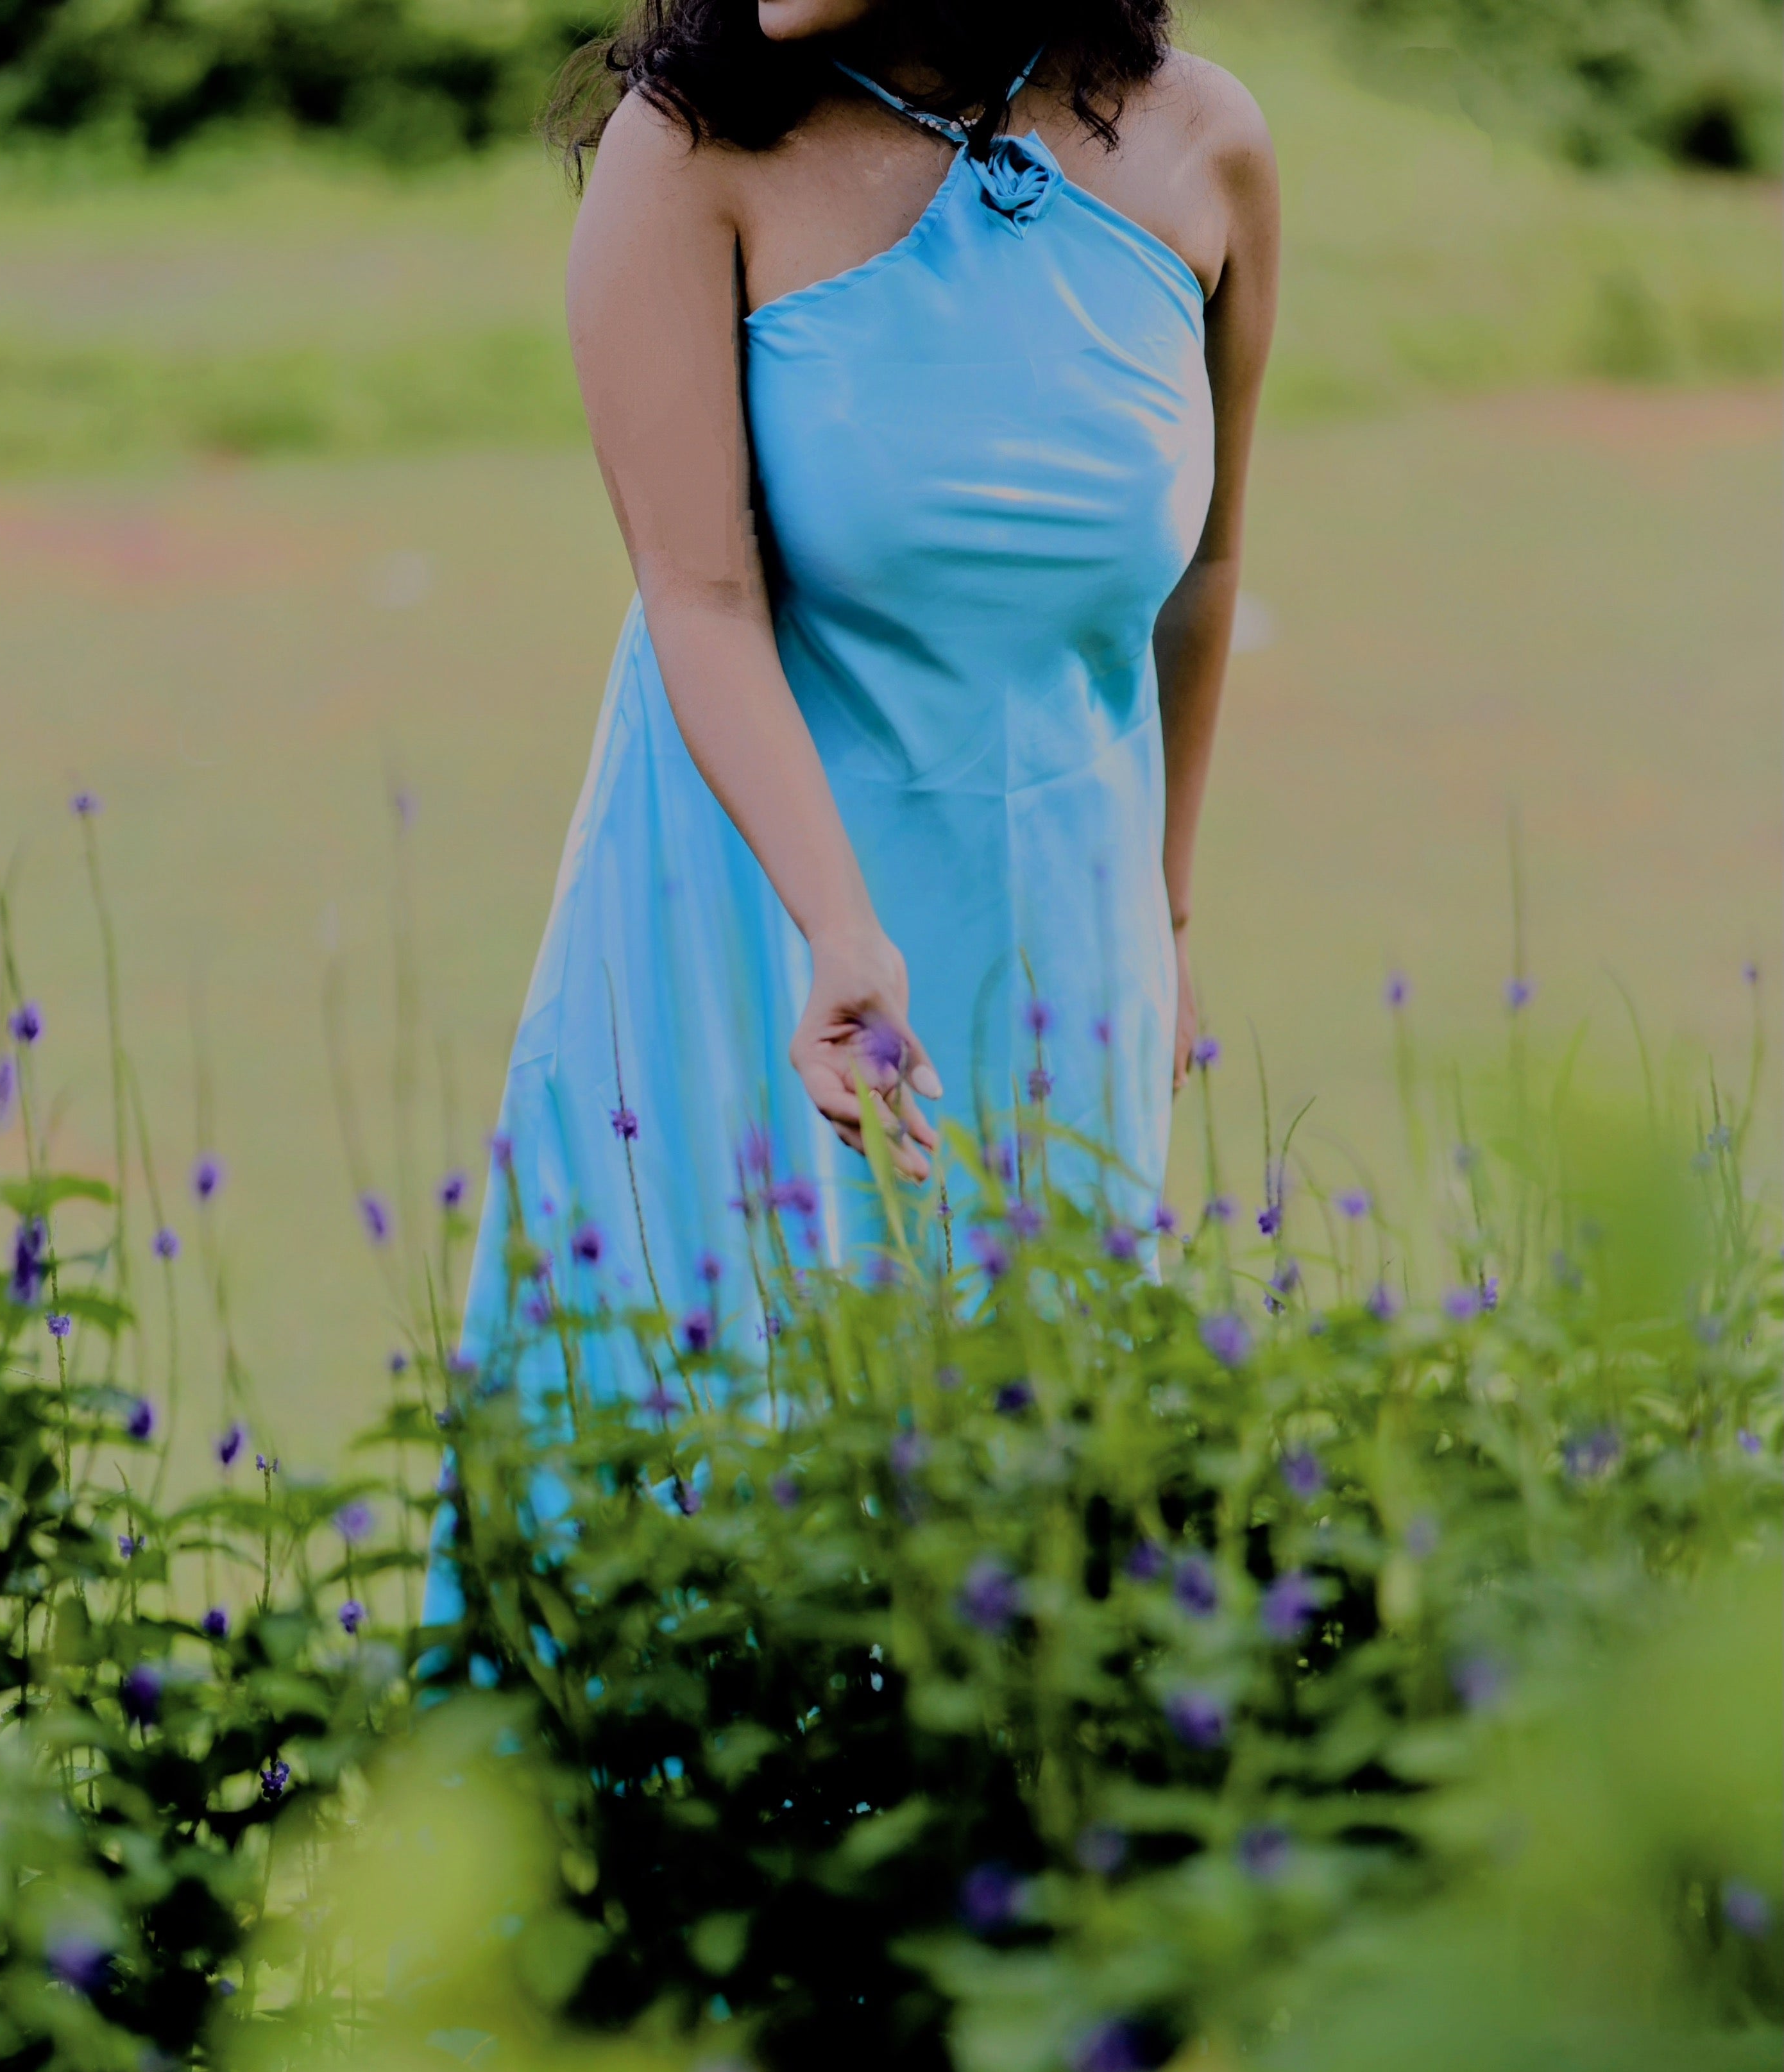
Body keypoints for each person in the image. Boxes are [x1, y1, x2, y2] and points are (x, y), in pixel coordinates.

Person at [461, 0, 1277, 1379]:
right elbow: (699, 595)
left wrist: (1164, 911)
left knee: (1044, 1445)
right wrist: (838, 929)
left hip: (1068, 930)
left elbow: (1206, 570)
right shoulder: (690, 151)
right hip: (756, 920)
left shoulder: (1207, 145)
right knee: (740, 1432)